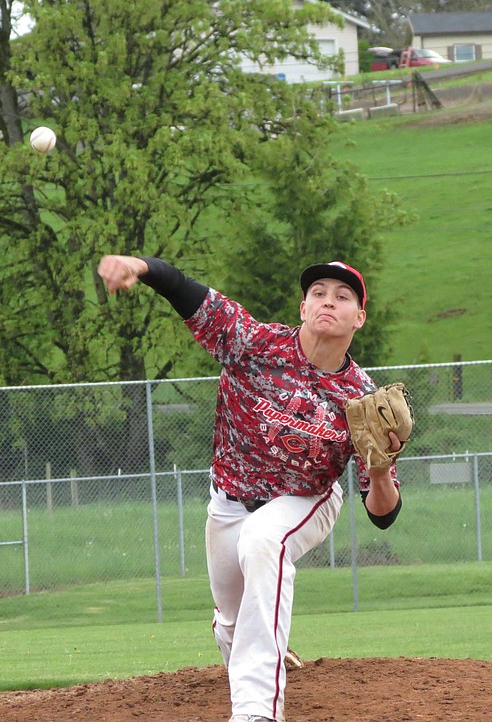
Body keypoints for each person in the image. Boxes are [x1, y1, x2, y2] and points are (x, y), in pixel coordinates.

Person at [96, 255, 403, 722]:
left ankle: (257, 711)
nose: (328, 301)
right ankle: (265, 648)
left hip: (306, 499)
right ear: (303, 308)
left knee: (264, 542)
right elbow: (191, 294)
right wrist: (141, 267)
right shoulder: (254, 344)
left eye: (343, 297)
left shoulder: (360, 397)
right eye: (318, 292)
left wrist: (380, 470)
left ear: (358, 318)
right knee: (231, 623)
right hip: (229, 500)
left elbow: (382, 514)